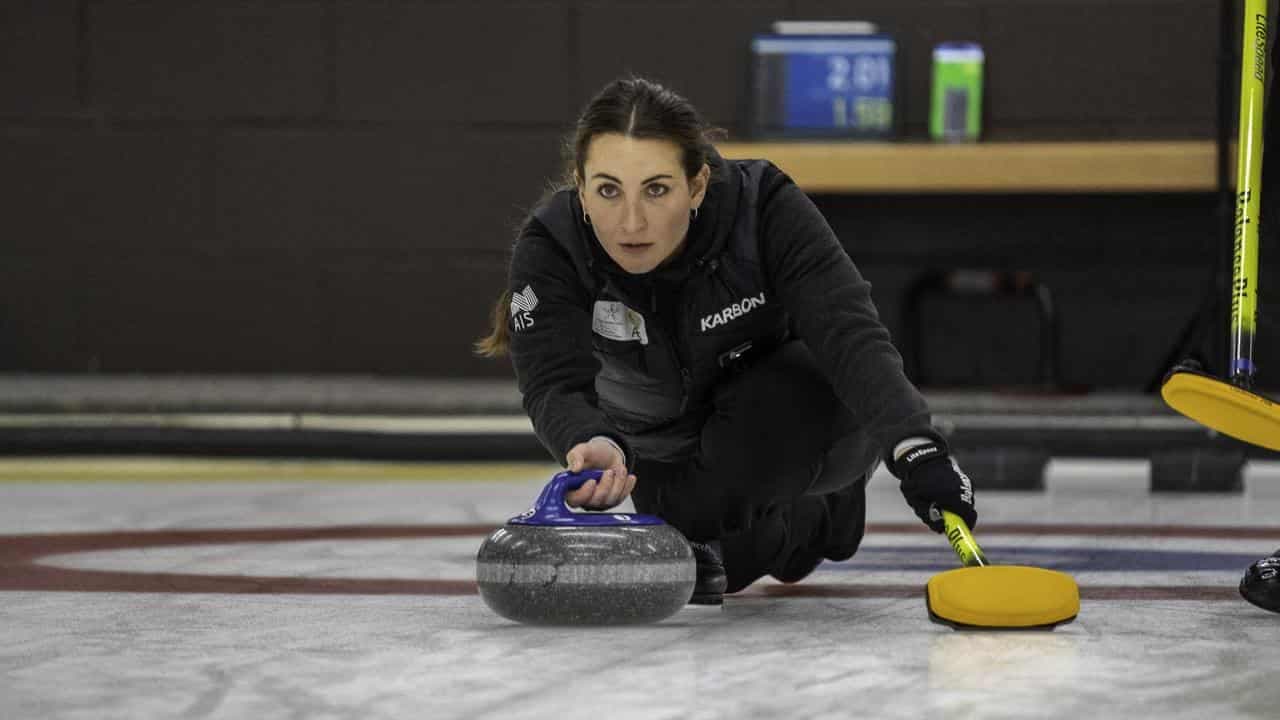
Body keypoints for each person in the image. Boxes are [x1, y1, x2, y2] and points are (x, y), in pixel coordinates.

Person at [477, 75, 978, 605]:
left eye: (656, 189)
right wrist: (591, 441)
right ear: (580, 187)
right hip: (671, 450)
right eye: (607, 190)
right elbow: (553, 383)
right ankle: (813, 518)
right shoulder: (551, 247)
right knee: (715, 572)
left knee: (761, 420)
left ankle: (825, 493)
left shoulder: (763, 208)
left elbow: (850, 332)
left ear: (696, 185)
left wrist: (917, 448)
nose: (630, 221)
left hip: (792, 414)